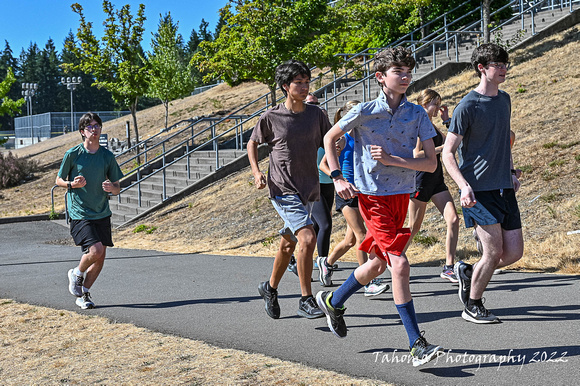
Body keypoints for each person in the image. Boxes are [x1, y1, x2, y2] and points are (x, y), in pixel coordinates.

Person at [316, 46, 443, 367]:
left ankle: (333, 300)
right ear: (380, 77)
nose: (405, 77)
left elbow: (429, 164)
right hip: (371, 198)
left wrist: (391, 160)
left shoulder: (416, 114)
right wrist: (337, 176)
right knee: (399, 264)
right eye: (398, 72)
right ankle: (416, 343)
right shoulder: (364, 110)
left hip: (402, 195)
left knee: (377, 265)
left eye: (408, 72)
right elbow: (329, 138)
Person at [442, 43, 524, 324]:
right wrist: (463, 186)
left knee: (513, 253)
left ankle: (468, 272)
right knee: (492, 251)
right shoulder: (467, 106)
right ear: (482, 68)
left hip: (503, 186)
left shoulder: (504, 100)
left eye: (505, 65)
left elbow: (503, 141)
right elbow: (447, 152)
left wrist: (512, 171)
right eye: (497, 65)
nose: (503, 69)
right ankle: (473, 304)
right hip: (477, 191)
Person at [248, 59, 331, 319]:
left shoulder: (316, 115)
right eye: (299, 83)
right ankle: (306, 299)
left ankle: (269, 288)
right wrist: (257, 172)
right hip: (282, 188)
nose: (304, 87)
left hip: (308, 187)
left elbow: (329, 141)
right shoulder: (271, 117)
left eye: (307, 82)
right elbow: (252, 143)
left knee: (288, 245)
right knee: (307, 237)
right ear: (286, 86)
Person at [317, 100, 389, 297]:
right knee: (362, 236)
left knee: (349, 241)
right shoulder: (341, 138)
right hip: (345, 193)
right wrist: (338, 179)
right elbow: (323, 164)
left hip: (363, 191)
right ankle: (368, 282)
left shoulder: (364, 136)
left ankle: (327, 262)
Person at [56, 112, 123, 309]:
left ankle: (83, 294)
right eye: (90, 127)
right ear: (82, 132)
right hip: (80, 212)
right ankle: (76, 273)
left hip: (101, 212)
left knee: (100, 258)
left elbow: (118, 186)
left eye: (97, 126)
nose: (94, 129)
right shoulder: (73, 154)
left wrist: (113, 189)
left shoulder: (107, 156)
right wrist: (71, 185)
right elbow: (58, 180)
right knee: (95, 250)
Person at [404, 89, 460, 283]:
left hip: (437, 180)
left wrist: (446, 120)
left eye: (439, 103)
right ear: (424, 104)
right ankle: (395, 259)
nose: (438, 107)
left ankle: (449, 267)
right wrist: (440, 150)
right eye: (435, 103)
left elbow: (452, 142)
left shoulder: (434, 127)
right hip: (421, 180)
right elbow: (415, 154)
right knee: (413, 227)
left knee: (453, 220)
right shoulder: (419, 125)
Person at [287, 93, 334, 275]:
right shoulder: (301, 126)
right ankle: (323, 264)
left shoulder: (322, 120)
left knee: (314, 226)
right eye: (310, 103)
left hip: (328, 181)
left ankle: (299, 260)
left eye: (316, 102)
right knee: (325, 224)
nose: (314, 105)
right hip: (311, 183)